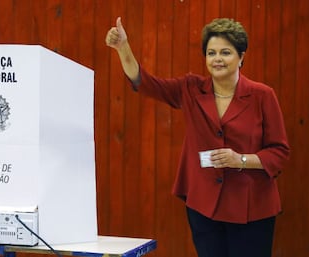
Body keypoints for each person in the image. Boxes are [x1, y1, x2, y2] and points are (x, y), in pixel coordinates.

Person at [105, 17, 290, 257]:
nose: (217, 59)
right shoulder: (191, 88)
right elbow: (146, 83)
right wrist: (123, 48)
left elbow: (279, 152)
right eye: (211, 53)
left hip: (252, 208)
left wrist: (241, 160)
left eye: (225, 52)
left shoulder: (262, 95)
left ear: (241, 57)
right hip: (205, 206)